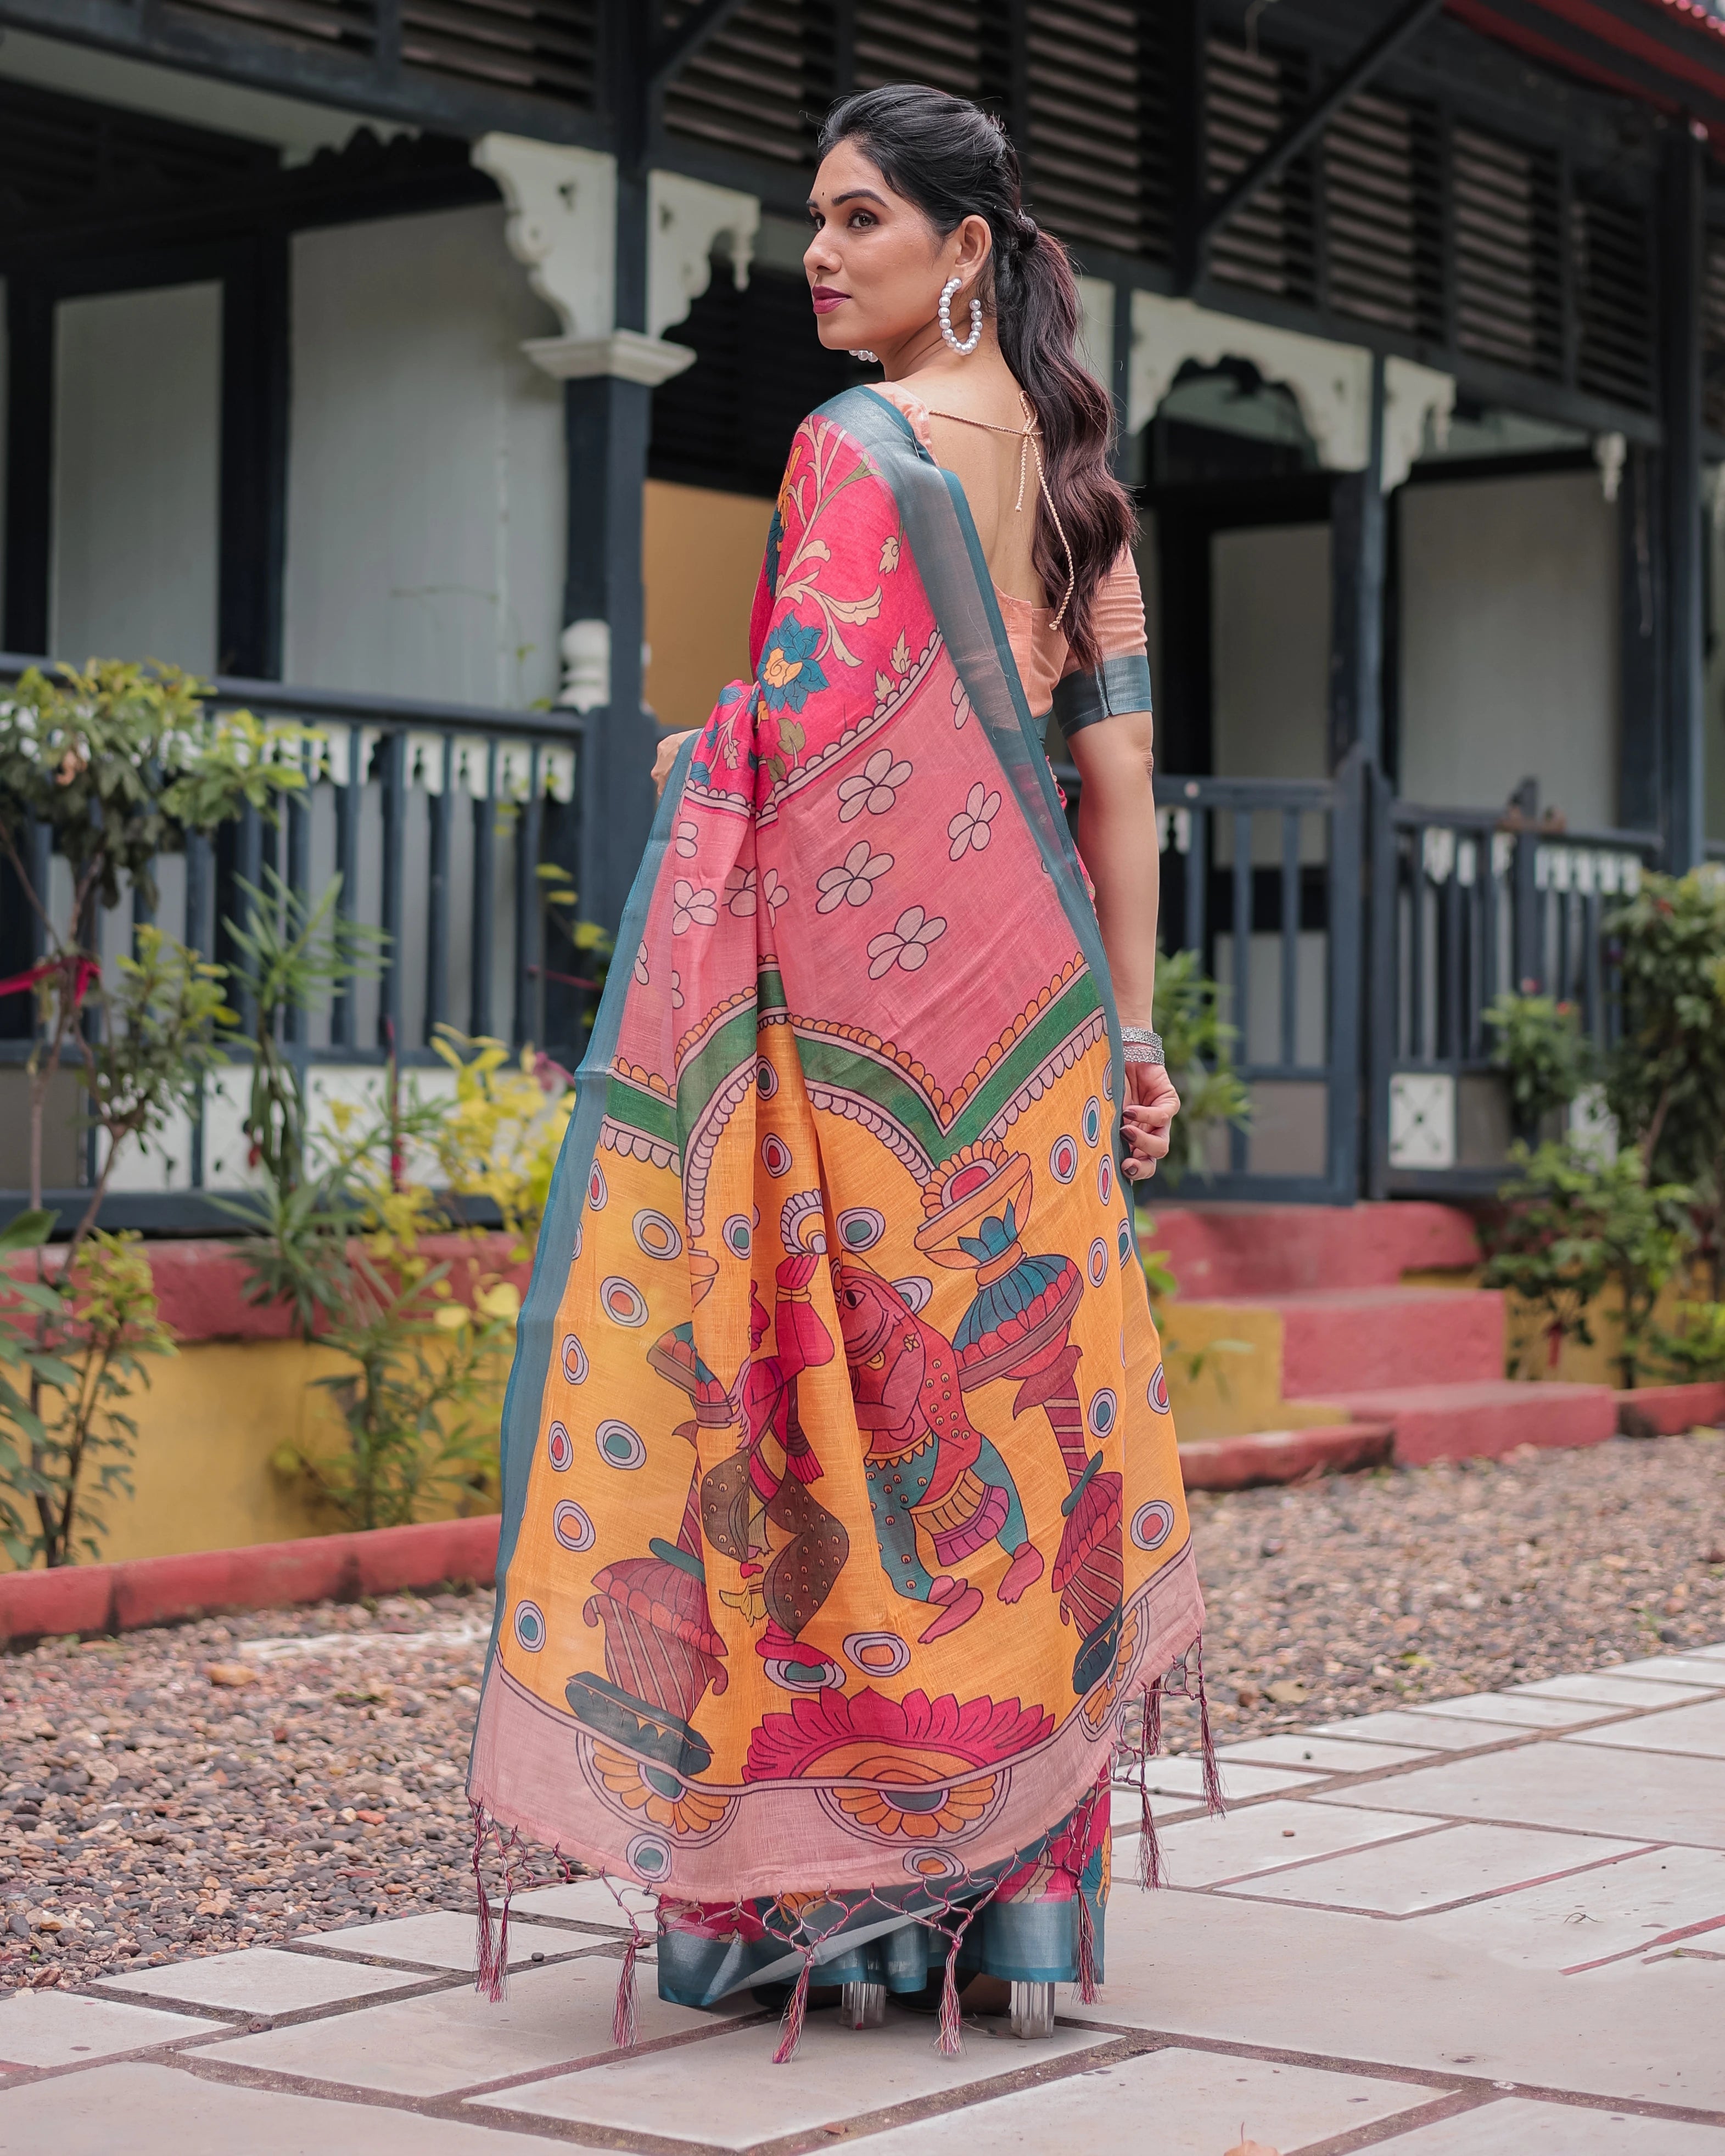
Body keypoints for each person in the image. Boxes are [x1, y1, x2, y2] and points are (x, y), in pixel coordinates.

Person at [467, 82, 1213, 2060]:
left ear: (964, 251)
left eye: (862, 219)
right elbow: (1120, 782)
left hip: (860, 1065)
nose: (822, 251)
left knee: (831, 1437)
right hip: (1033, 1043)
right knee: (1000, 1457)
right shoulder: (1078, 477)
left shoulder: (847, 451)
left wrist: (689, 765)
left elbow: (791, 765)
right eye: (814, 217)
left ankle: (840, 1914)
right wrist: (1131, 1038)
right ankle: (1012, 1927)